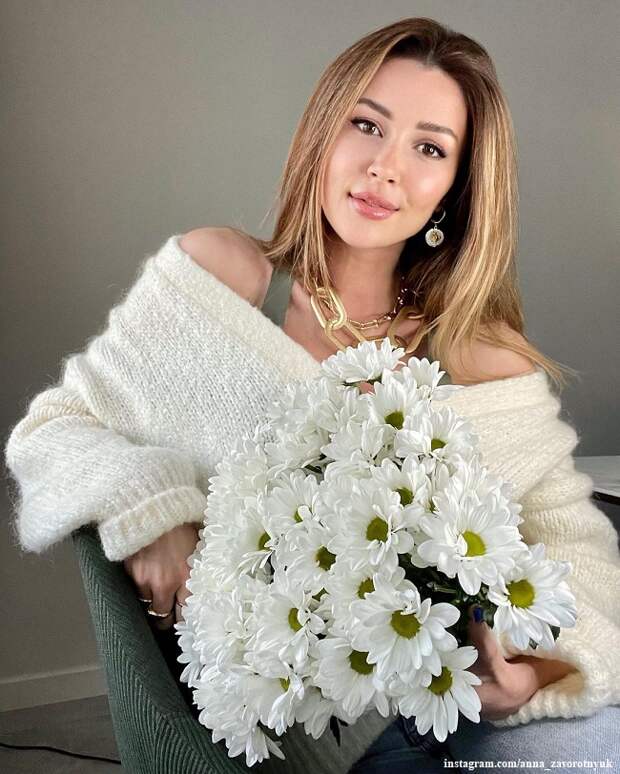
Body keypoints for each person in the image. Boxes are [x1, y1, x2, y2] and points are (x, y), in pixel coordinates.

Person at [4, 16, 620, 772]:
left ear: (455, 189)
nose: (385, 169)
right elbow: (54, 427)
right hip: (295, 738)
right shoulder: (220, 281)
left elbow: (576, 547)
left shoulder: (480, 352)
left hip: (475, 712)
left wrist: (534, 672)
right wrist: (152, 508)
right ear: (323, 131)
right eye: (367, 125)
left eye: (429, 148)